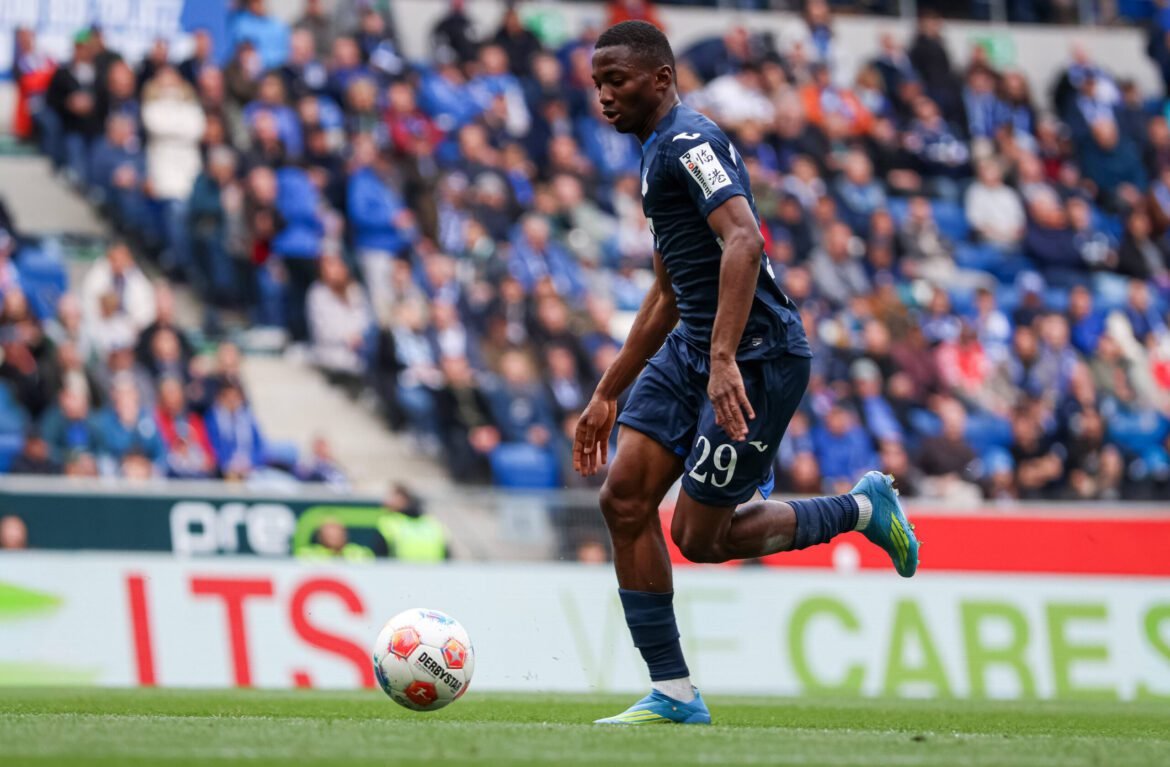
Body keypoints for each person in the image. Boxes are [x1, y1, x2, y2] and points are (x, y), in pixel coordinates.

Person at [574, 22, 919, 727]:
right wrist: (607, 392)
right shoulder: (654, 154)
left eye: (617, 81)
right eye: (598, 84)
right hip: (693, 347)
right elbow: (668, 293)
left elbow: (744, 240)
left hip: (756, 355)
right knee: (624, 499)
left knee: (701, 539)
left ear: (661, 79)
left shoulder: (689, 143)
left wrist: (725, 357)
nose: (604, 96)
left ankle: (861, 509)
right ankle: (673, 692)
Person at [372, 483, 450, 561]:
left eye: (392, 497)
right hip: (434, 569)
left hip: (398, 569)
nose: (386, 502)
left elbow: (379, 559)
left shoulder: (389, 524)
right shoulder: (433, 524)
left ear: (404, 499)